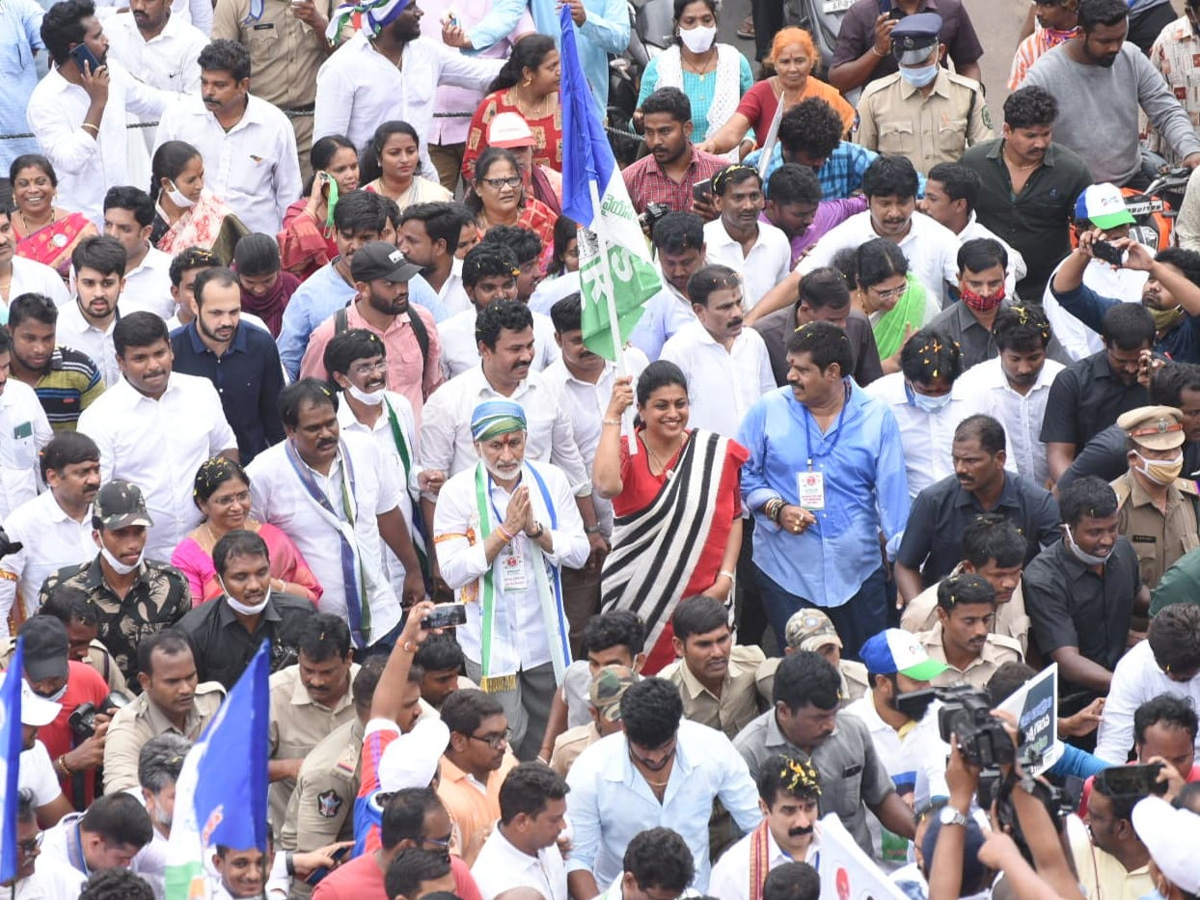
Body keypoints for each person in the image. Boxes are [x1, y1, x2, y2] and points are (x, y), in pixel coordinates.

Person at [738, 321, 908, 658]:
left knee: (865, 670)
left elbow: (893, 496)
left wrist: (899, 562)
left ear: (833, 372)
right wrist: (777, 508)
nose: (791, 376)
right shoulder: (767, 410)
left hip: (858, 571)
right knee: (805, 674)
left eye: (802, 370)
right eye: (790, 366)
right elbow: (742, 474)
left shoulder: (876, 416)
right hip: (786, 571)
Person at [433, 400, 589, 758]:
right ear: (476, 447)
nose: (506, 455)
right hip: (489, 643)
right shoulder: (457, 492)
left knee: (547, 737)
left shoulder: (550, 481)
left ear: (526, 439)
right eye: (495, 445)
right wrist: (504, 533)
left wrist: (536, 531)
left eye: (514, 442)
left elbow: (579, 553)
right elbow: (452, 570)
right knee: (499, 740)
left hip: (542, 637)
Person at [594, 361, 747, 673]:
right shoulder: (627, 449)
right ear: (641, 408)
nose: (673, 414)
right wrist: (612, 417)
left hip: (704, 593)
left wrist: (726, 579)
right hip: (632, 592)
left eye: (681, 404)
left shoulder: (713, 453)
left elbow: (733, 517)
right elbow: (607, 486)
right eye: (661, 406)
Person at [248, 379, 423, 652]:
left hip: (381, 617)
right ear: (290, 430)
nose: (326, 433)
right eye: (313, 428)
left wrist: (413, 570)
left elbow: (387, 513)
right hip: (316, 630)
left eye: (331, 423)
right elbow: (251, 540)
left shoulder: (366, 449)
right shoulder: (263, 474)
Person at [419, 299, 599, 563]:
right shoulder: (448, 401)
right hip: (476, 545)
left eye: (530, 346)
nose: (526, 356)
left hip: (542, 539)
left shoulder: (547, 389)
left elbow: (570, 464)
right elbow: (433, 490)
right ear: (485, 349)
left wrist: (591, 529)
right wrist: (440, 558)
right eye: (515, 349)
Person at [565, 677, 761, 896]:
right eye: (645, 750)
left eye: (666, 746)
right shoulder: (590, 769)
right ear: (625, 729)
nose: (657, 758)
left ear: (678, 726)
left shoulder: (714, 749)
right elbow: (578, 859)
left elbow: (758, 824)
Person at [77, 312, 238, 558]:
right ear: (120, 361)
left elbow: (225, 449)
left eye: (159, 354)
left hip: (208, 547)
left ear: (170, 349)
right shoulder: (99, 418)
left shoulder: (201, 391)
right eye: (140, 358)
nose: (153, 366)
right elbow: (96, 499)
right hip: (139, 556)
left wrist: (218, 507)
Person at [542, 296, 649, 653]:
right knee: (582, 629)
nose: (588, 347)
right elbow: (567, 466)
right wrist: (590, 530)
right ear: (558, 340)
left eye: (596, 335)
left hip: (643, 519)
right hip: (586, 531)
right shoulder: (547, 388)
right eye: (576, 340)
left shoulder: (631, 362)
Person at [732, 651, 915, 857]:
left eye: (834, 713)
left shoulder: (852, 729)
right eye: (818, 718)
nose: (830, 725)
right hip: (790, 876)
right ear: (784, 711)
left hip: (854, 873)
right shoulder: (748, 752)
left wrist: (923, 836)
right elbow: (754, 835)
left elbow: (881, 798)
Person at [312, 0, 502, 180]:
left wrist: (527, 60)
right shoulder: (342, 67)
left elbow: (482, 74)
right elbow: (327, 149)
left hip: (422, 180)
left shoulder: (426, 52)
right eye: (409, 7)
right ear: (386, 14)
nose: (420, 13)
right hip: (367, 189)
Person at [26, 0, 173, 227]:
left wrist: (204, 102)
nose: (106, 41)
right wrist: (97, 104)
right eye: (97, 36)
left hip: (122, 220)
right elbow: (71, 161)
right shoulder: (44, 100)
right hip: (77, 227)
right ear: (75, 48)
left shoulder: (112, 72)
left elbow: (154, 101)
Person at [1024, 0, 1200, 188]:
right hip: (1068, 189)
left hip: (1130, 183)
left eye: (1120, 39)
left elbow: (1167, 111)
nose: (1115, 48)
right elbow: (1019, 133)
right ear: (1081, 34)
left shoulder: (1131, 57)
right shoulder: (1044, 75)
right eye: (1105, 41)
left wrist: (1191, 151)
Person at [895, 414, 1059, 602]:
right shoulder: (933, 501)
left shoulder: (1037, 502)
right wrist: (924, 612)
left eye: (971, 461)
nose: (960, 469)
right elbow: (906, 565)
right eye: (956, 460)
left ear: (1000, 459)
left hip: (1019, 608)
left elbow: (1059, 564)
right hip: (950, 611)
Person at [325, 328, 435, 595]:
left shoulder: (399, 408)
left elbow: (407, 467)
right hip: (363, 559)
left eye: (380, 364)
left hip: (405, 551)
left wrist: (420, 478)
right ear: (341, 378)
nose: (376, 375)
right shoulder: (331, 424)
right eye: (364, 368)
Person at [152, 39, 301, 235]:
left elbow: (288, 194)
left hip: (255, 249)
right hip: (190, 245)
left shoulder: (275, 125)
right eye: (204, 82)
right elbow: (159, 184)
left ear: (243, 85)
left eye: (219, 85)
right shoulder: (177, 117)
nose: (208, 92)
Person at [961, 86, 1094, 302]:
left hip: (1050, 289)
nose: (1040, 143)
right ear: (1007, 130)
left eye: (1046, 134)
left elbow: (1090, 225)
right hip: (986, 290)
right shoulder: (973, 162)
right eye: (1030, 136)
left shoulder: (1072, 170)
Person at [1024, 476, 1148, 697]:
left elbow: (1144, 601)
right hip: (1073, 701)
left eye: (1112, 529)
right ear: (1066, 531)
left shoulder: (1123, 550)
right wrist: (1128, 686)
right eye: (1095, 532)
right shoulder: (1043, 579)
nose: (1107, 540)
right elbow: (1068, 661)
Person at [791, 155, 959, 314]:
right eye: (885, 204)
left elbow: (972, 284)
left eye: (902, 203)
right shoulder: (847, 233)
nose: (894, 213)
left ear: (915, 199)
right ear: (868, 200)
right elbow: (796, 282)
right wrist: (763, 317)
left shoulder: (939, 237)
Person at [299, 241, 442, 427]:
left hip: (416, 450)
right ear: (362, 288)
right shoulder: (330, 334)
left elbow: (434, 388)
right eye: (390, 283)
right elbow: (312, 402)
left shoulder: (421, 321)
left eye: (404, 280)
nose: (402, 290)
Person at [843, 629, 952, 862]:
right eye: (916, 680)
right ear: (883, 683)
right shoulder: (850, 729)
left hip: (937, 858)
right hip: (875, 869)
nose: (927, 687)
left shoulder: (942, 715)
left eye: (928, 677)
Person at [209, 0, 335, 185]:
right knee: (256, 196)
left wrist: (318, 22)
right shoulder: (233, 3)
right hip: (258, 126)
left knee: (310, 201)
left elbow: (347, 54)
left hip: (310, 126)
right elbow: (220, 67)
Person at [170, 457, 321, 607]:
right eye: (225, 500)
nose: (237, 507)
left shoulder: (273, 537)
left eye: (243, 496)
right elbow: (193, 617)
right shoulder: (188, 554)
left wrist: (271, 585)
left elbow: (310, 596)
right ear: (202, 504)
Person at [854, 14, 993, 177]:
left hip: (951, 199)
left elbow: (985, 157)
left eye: (922, 62)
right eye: (908, 63)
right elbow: (861, 162)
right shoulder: (874, 97)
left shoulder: (968, 93)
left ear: (940, 52)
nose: (915, 69)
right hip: (899, 199)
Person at [170, 267, 284, 462]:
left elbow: (276, 420)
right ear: (195, 306)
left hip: (253, 469)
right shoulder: (172, 350)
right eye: (216, 313)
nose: (227, 321)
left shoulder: (261, 345)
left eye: (234, 312)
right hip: (192, 472)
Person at [174, 529, 316, 688]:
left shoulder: (301, 614)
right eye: (241, 577)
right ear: (219, 581)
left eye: (262, 573)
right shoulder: (193, 632)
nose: (254, 585)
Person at [276, 190, 390, 379]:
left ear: (383, 236)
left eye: (366, 238)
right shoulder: (309, 294)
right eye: (347, 236)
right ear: (334, 233)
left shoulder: (406, 284)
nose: (355, 246)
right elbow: (286, 367)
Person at [1041, 303, 1157, 482]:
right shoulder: (1072, 381)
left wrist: (1160, 389)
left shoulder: (1166, 377)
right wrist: (1078, 497)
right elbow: (1059, 456)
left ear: (1154, 342)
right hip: (1091, 489)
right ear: (1104, 342)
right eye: (1121, 360)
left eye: (1138, 359)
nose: (1131, 368)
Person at [264, 614, 358, 833]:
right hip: (293, 841)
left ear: (348, 659)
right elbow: (240, 771)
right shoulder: (272, 695)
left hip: (356, 840)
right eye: (307, 671)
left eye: (327, 672)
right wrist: (288, 768)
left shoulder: (372, 689)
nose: (316, 681)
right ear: (299, 659)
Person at [954, 304, 1065, 488]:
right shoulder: (972, 385)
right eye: (1014, 359)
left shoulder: (1062, 381)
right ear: (999, 350)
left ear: (1046, 350)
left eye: (1034, 358)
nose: (1024, 368)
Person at [101, 629, 225, 792]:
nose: (186, 689)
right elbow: (123, 798)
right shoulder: (127, 729)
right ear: (145, 681)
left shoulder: (214, 699)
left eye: (190, 677)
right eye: (172, 682)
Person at [702, 28, 854, 159]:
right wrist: (713, 144)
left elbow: (845, 142)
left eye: (800, 61)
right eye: (785, 62)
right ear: (774, 63)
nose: (793, 69)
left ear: (811, 61)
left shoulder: (826, 94)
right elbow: (734, 131)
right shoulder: (760, 92)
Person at [660, 264, 775, 437]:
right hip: (705, 460)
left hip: (755, 458)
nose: (736, 313)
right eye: (726, 307)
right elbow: (667, 416)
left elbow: (769, 400)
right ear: (699, 311)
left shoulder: (753, 341)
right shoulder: (678, 351)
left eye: (738, 303)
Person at [0, 432, 99, 632]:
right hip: (47, 648)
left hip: (104, 644)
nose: (94, 479)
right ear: (53, 477)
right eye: (82, 473)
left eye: (97, 470)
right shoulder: (22, 525)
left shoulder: (108, 514)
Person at [11, 615, 112, 809]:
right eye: (37, 678)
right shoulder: (3, 698)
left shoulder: (89, 678)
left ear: (67, 653)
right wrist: (66, 764)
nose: (47, 689)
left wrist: (111, 732)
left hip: (77, 817)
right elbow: (9, 785)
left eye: (55, 679)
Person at [311, 786, 480, 900]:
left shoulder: (454, 872)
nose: (449, 848)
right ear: (407, 847)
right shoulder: (336, 892)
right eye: (441, 843)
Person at [1054, 238, 1200, 369]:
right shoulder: (1125, 317)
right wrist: (1084, 252)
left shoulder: (1191, 331)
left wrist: (1153, 267)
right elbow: (1065, 291)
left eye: (1166, 283)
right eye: (1151, 278)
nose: (1154, 286)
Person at [900, 513, 1033, 655]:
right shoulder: (922, 616)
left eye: (1015, 572)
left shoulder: (1018, 586)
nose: (1010, 583)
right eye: (998, 575)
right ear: (969, 568)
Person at [633, 0, 752, 148]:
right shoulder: (658, 67)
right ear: (677, 25)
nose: (699, 28)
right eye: (690, 22)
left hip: (728, 164)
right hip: (674, 166)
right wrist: (639, 122)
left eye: (706, 20)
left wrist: (748, 143)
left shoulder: (735, 62)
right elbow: (638, 123)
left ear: (715, 21)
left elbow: (752, 117)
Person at [535, 609, 647, 761]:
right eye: (594, 663)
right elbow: (563, 696)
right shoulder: (575, 676)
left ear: (638, 662)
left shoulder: (651, 699)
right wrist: (546, 752)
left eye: (612, 664)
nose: (600, 674)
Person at [1109, 406, 1200, 589]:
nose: (1171, 458)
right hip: (1137, 616)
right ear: (1133, 458)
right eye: (1159, 453)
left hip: (1187, 615)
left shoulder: (1191, 498)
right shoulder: (1113, 505)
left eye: (1176, 449)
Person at [1096, 604, 1200, 764]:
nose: (1171, 676)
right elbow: (1113, 746)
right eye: (1167, 669)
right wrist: (1101, 784)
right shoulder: (1134, 667)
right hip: (1157, 772)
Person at [436, 244, 556, 381]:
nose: (500, 295)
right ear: (470, 292)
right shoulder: (445, 335)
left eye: (508, 285)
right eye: (489, 288)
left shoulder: (544, 327)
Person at [708, 754, 820, 900]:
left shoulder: (838, 843)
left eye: (809, 807)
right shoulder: (733, 871)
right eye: (789, 811)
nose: (803, 822)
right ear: (764, 807)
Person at [752, 266, 883, 389]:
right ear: (805, 310)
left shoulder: (857, 324)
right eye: (833, 320)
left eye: (845, 316)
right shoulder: (765, 336)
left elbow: (873, 386)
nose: (843, 325)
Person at [657, 596, 766, 738]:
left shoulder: (752, 662)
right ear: (679, 646)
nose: (717, 653)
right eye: (704, 644)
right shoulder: (665, 691)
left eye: (722, 640)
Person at [827, 0, 983, 96]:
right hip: (885, 122)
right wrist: (877, 50)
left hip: (939, 113)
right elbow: (838, 81)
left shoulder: (950, 8)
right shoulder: (862, 13)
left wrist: (969, 100)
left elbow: (968, 64)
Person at [462, 35, 562, 181]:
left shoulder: (568, 103)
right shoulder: (493, 106)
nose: (559, 71)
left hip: (562, 200)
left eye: (559, 64)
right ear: (528, 73)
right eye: (551, 67)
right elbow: (471, 166)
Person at [739, 98, 881, 201]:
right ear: (788, 147)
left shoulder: (847, 154)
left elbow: (890, 175)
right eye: (812, 156)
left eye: (826, 154)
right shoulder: (756, 166)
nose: (820, 163)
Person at [919, 168, 1028, 301]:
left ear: (959, 204)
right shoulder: (917, 233)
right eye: (924, 196)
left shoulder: (995, 250)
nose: (923, 205)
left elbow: (999, 306)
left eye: (933, 199)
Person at [6, 292, 104, 432]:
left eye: (48, 338)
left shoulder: (81, 370)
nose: (40, 349)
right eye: (29, 338)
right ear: (10, 330)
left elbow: (100, 430)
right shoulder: (3, 372)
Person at [435, 689, 519, 853]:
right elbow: (449, 875)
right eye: (492, 739)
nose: (502, 746)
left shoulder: (509, 765)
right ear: (458, 741)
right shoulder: (438, 795)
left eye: (504, 735)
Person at [470, 763, 569, 900]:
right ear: (522, 822)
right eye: (555, 820)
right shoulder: (496, 885)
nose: (563, 826)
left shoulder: (540, 840)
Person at [622, 88, 726, 217]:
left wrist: (721, 221)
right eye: (649, 132)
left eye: (664, 131)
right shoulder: (630, 180)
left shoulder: (720, 172)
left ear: (687, 129)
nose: (656, 141)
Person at [701, 166, 791, 313]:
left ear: (763, 199)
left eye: (754, 196)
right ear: (718, 202)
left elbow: (783, 296)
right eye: (738, 198)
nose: (748, 206)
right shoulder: (703, 241)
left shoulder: (777, 240)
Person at [915, 573, 1024, 688]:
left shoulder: (1008, 655)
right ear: (942, 616)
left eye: (986, 619)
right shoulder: (912, 655)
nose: (981, 631)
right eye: (969, 621)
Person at [279, 135, 362, 282]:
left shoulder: (367, 201)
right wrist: (313, 205)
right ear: (320, 174)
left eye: (354, 167)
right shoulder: (299, 212)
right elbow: (293, 262)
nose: (351, 175)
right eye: (341, 169)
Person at [150, 141, 247, 263]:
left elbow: (246, 253)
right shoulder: (146, 217)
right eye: (191, 180)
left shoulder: (214, 210)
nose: (200, 185)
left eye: (201, 176)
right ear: (167, 184)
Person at [8, 154, 99, 281]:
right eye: (23, 184)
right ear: (14, 191)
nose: (33, 189)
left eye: (41, 182)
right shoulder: (5, 228)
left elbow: (97, 272)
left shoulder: (78, 227)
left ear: (54, 187)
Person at [626, 212, 703, 361]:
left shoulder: (724, 276)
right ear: (658, 254)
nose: (679, 272)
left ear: (703, 251)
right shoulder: (644, 294)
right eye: (670, 263)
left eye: (686, 263)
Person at [754, 608, 871, 704]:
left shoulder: (863, 686)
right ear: (790, 654)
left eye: (830, 650)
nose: (825, 661)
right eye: (813, 654)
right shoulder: (769, 679)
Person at [761, 165, 867, 266]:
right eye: (799, 214)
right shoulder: (753, 236)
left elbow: (855, 205)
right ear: (771, 206)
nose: (809, 221)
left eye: (812, 213)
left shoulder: (821, 215)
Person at [0, 328, 53, 524]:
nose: (2, 378)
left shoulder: (24, 396)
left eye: (5, 367)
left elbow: (45, 458)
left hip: (27, 528)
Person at [128, 733, 190, 898]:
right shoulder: (121, 832)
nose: (190, 804)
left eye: (194, 792)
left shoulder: (218, 815)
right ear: (148, 796)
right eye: (177, 796)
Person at [99, 186, 174, 318]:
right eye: (108, 224)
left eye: (124, 228)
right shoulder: (86, 265)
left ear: (146, 232)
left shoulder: (170, 273)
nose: (112, 234)